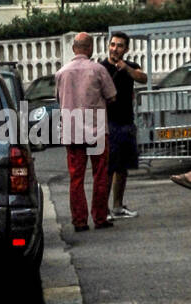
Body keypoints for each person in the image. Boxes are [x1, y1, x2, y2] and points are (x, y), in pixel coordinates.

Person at [55, 32, 117, 231]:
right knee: (100, 175)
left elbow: (58, 99)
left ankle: (79, 221)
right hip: (96, 129)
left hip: (72, 131)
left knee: (76, 177)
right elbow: (112, 96)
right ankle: (100, 218)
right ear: (90, 48)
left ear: (74, 48)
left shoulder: (61, 73)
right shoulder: (98, 69)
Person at [100, 31, 146, 218]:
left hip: (127, 122)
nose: (115, 48)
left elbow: (143, 78)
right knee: (108, 168)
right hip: (108, 123)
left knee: (123, 167)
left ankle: (118, 206)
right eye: (112, 44)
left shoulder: (131, 66)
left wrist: (125, 68)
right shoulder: (101, 68)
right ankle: (103, 209)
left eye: (119, 45)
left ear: (126, 49)